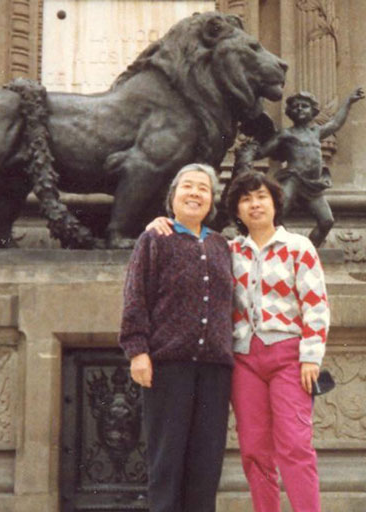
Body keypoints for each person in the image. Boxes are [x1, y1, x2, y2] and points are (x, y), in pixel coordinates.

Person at [147, 170, 330, 512]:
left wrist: (311, 356)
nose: (254, 204)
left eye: (261, 197)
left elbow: (316, 304)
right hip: (245, 359)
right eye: (245, 199)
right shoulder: (228, 250)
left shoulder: (298, 248)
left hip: (290, 357)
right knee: (254, 451)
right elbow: (192, 246)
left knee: (294, 445)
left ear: (275, 203)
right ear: (237, 210)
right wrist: (158, 223)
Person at [118, 163, 234, 512]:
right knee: (166, 462)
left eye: (203, 188)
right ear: (173, 197)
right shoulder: (155, 238)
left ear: (211, 201)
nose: (195, 193)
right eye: (188, 186)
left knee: (206, 465)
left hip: (215, 368)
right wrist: (137, 350)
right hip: (169, 365)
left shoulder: (221, 246)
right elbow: (135, 295)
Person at [236, 88, 364, 247]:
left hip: (313, 185)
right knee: (277, 215)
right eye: (296, 106)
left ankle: (307, 250)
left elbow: (336, 122)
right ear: (289, 112)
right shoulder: (286, 134)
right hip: (293, 180)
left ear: (313, 111)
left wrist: (349, 101)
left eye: (304, 106)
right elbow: (264, 151)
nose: (299, 109)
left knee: (326, 221)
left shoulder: (316, 132)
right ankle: (280, 245)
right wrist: (249, 152)